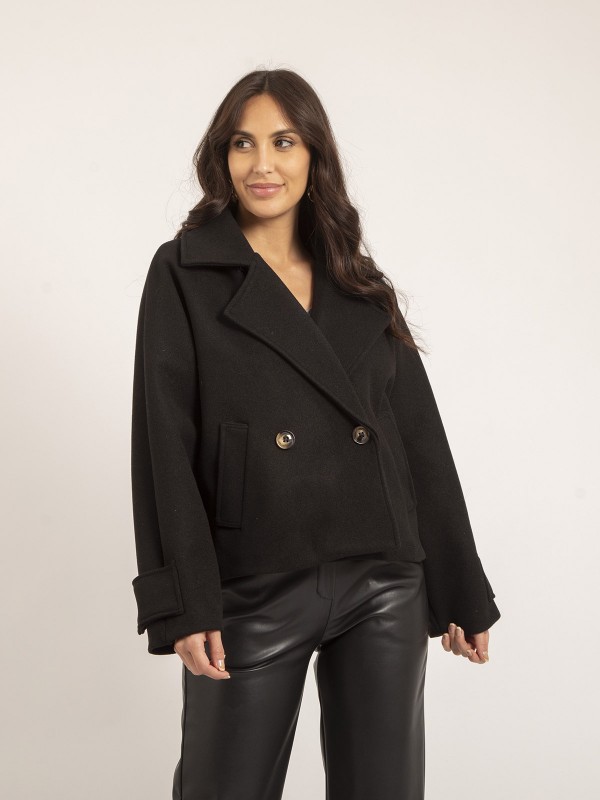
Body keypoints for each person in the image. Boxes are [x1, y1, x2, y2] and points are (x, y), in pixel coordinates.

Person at [130, 68, 501, 800]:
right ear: (221, 156)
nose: (261, 164)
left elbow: (416, 436)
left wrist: (459, 584)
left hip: (382, 577)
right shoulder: (185, 270)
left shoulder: (357, 279)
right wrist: (185, 601)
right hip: (253, 579)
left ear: (314, 156)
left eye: (283, 142)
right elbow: (162, 443)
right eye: (243, 143)